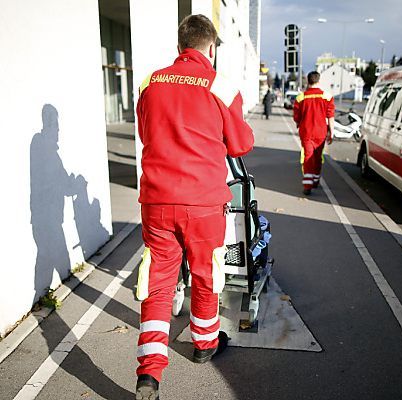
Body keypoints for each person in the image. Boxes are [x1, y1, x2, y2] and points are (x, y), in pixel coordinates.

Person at [134, 14, 254, 400]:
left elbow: (145, 130)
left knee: (158, 283)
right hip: (202, 202)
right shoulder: (219, 85)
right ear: (211, 47)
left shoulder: (150, 82)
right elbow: (240, 144)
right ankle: (204, 345)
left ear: (180, 45)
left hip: (156, 199)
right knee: (205, 274)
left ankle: (149, 373)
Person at [293, 71, 335, 195]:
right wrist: (331, 133)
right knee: (317, 157)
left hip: (306, 132)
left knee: (307, 156)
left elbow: (296, 117)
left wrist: (298, 123)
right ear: (318, 81)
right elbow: (331, 116)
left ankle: (307, 184)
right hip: (321, 132)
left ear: (308, 81)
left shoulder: (301, 97)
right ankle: (316, 180)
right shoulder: (327, 96)